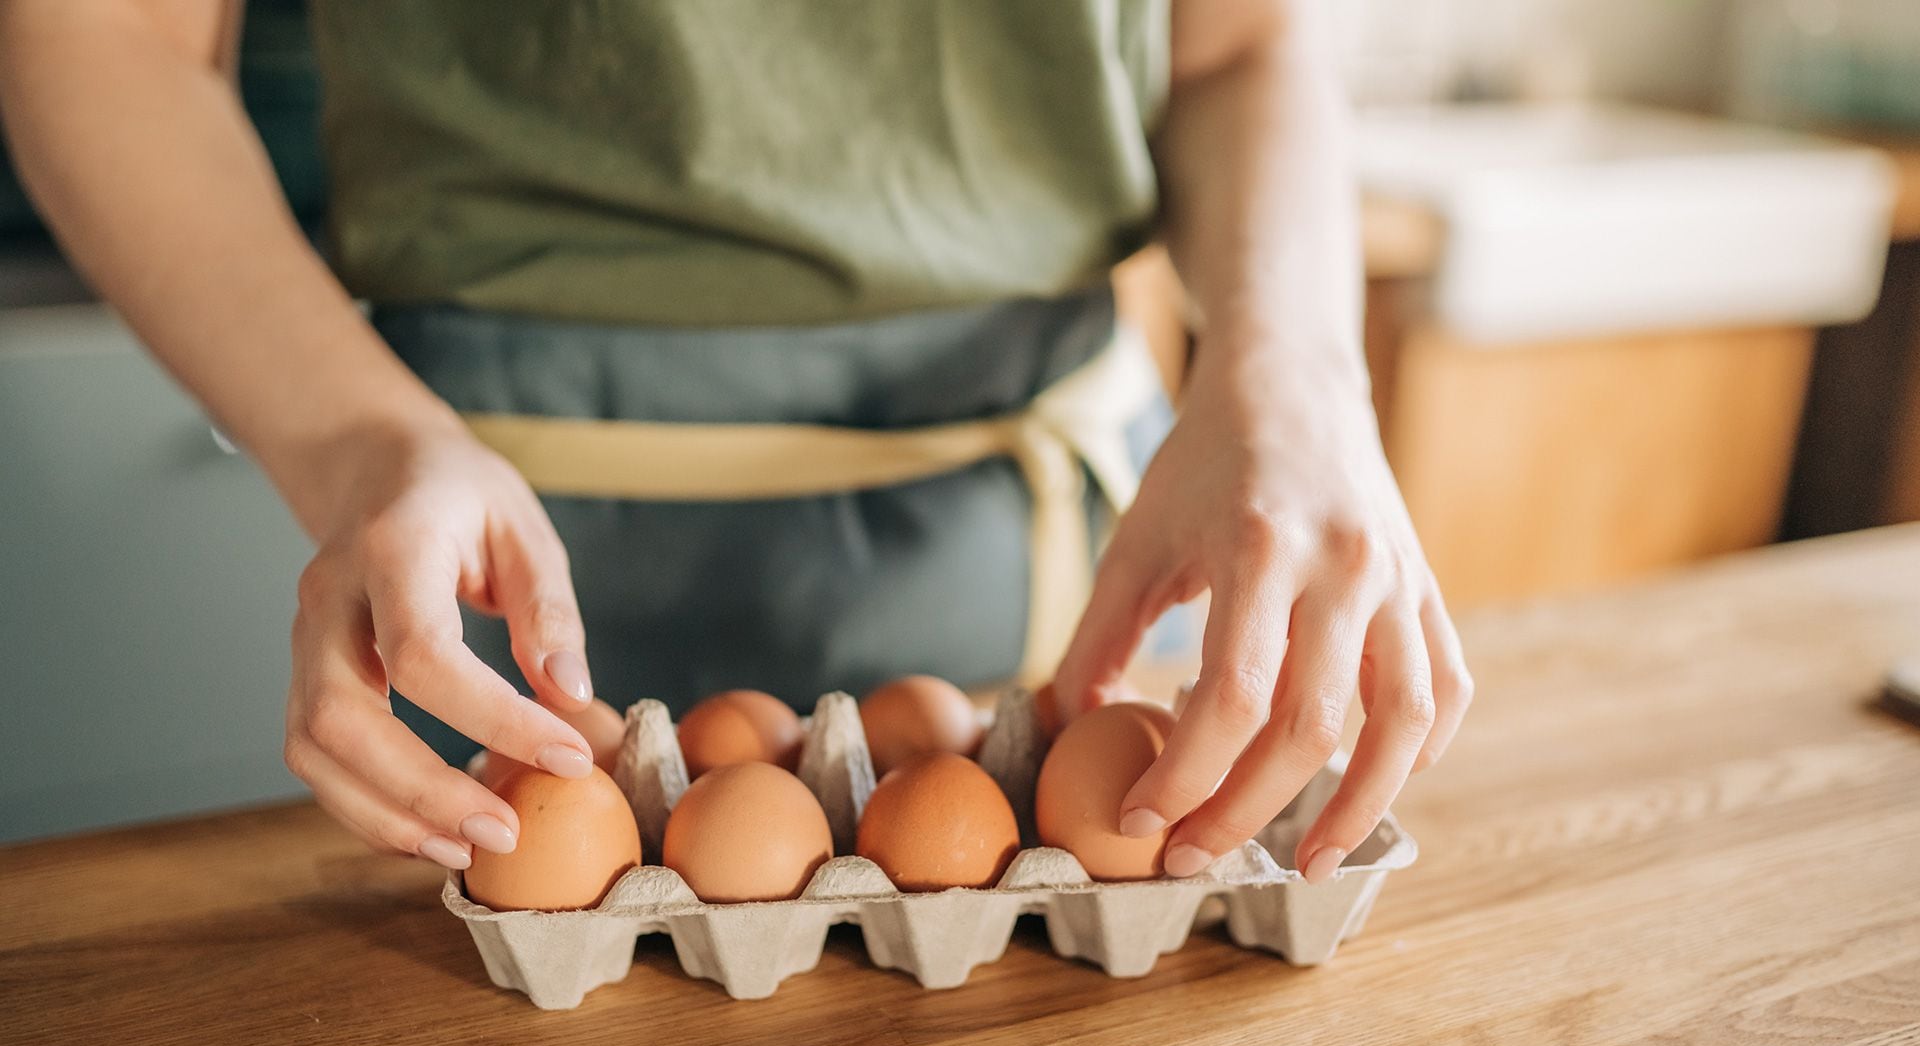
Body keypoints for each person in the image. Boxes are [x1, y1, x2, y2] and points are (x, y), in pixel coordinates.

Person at [0, 0, 1470, 885]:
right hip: (504, 576)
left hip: (1045, 535)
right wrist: (356, 443)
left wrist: (1291, 371)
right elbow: (107, 35)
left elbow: (1234, 45)